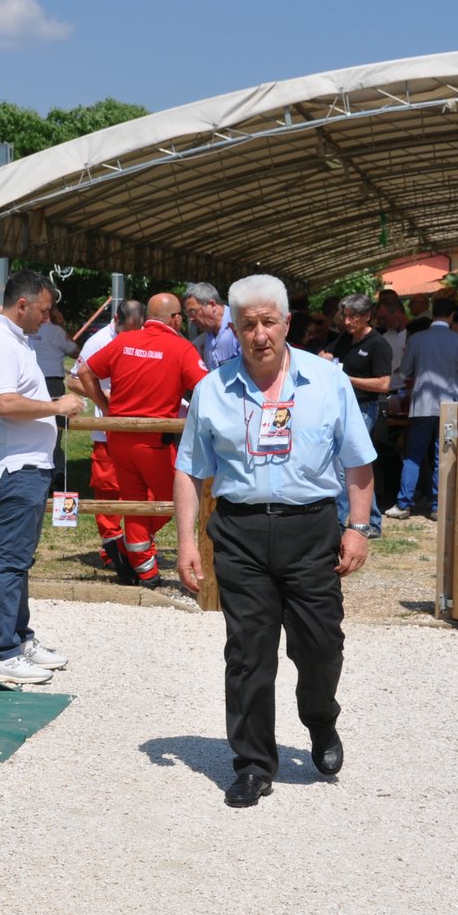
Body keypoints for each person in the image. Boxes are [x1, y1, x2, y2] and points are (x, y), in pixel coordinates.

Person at [173, 275, 376, 807]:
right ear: (234, 329)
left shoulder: (327, 381)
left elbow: (358, 459)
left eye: (268, 322)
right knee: (248, 654)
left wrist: (356, 527)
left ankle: (320, 720)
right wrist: (187, 541)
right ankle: (253, 764)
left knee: (321, 645)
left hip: (310, 530)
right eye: (248, 324)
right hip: (239, 534)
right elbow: (190, 471)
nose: (259, 334)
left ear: (286, 323)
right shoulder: (212, 390)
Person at [0, 269, 84, 683]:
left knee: (19, 561)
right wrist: (57, 406)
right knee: (11, 562)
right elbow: (5, 404)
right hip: (14, 467)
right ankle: (1, 651)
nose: (47, 318)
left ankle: (19, 637)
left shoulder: (14, 341)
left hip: (27, 465)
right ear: (23, 305)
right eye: (43, 310)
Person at [78, 292, 207, 587]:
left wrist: (105, 406)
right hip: (152, 441)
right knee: (172, 499)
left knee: (135, 501)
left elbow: (84, 370)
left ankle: (142, 567)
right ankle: (134, 554)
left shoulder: (123, 341)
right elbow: (206, 387)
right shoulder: (181, 348)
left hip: (118, 438)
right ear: (174, 318)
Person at [69, 298, 146, 580]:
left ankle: (139, 545)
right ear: (116, 320)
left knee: (141, 490)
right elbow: (74, 380)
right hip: (107, 431)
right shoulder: (98, 341)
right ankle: (111, 549)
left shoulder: (145, 338)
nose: (132, 336)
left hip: (138, 428)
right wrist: (106, 400)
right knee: (108, 488)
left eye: (137, 330)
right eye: (127, 330)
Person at [384, 295, 458, 520]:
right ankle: (440, 506)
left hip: (422, 407)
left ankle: (404, 504)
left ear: (432, 311)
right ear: (453, 315)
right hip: (451, 410)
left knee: (414, 455)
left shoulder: (416, 339)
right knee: (445, 454)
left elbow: (404, 373)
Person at [326, 293, 392, 536]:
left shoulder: (378, 344)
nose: (347, 321)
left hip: (365, 407)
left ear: (367, 316)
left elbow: (384, 384)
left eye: (353, 317)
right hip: (342, 407)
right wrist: (325, 359)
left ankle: (342, 521)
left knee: (348, 464)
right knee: (357, 464)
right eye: (345, 316)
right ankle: (372, 520)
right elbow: (327, 355)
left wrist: (348, 380)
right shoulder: (346, 338)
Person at [28, 302, 79, 479]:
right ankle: (54, 469)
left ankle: (44, 467)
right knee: (54, 431)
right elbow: (75, 351)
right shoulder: (55, 331)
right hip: (52, 384)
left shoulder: (27, 330)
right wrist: (62, 327)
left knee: (33, 427)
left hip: (31, 383)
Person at [184, 281, 241, 371]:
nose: (191, 319)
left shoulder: (240, 326)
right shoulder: (205, 336)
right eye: (189, 314)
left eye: (193, 312)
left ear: (212, 305)